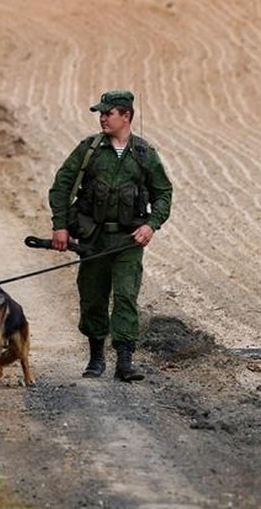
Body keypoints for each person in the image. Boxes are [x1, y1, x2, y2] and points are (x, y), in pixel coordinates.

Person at [48, 90, 173, 382]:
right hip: (93, 239)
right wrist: (60, 226)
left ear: (126, 116)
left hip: (128, 241)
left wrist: (151, 225)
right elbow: (61, 186)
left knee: (126, 296)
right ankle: (95, 357)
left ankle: (125, 361)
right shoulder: (89, 150)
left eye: (108, 113)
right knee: (92, 296)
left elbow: (164, 193)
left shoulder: (144, 154)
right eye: (101, 114)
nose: (102, 118)